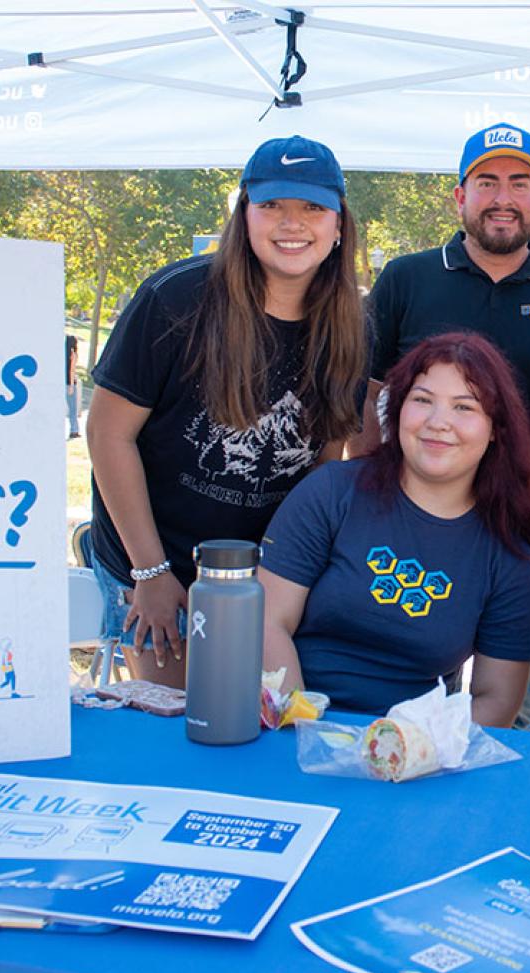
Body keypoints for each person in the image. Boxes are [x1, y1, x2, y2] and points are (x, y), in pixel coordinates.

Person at [352, 122, 530, 732]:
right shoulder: (406, 280)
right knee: (412, 713)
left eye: (520, 182)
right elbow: (366, 397)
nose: (503, 197)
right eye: (487, 181)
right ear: (459, 196)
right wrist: (362, 492)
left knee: (515, 720)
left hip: (528, 536)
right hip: (416, 534)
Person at [88, 135, 366, 689]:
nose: (292, 224)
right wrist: (151, 572)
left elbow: (326, 459)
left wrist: (282, 575)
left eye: (312, 207)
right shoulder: (176, 298)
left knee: (261, 722)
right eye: (272, 206)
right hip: (151, 558)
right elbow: (106, 435)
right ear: (244, 215)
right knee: (173, 728)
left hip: (259, 576)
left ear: (339, 224)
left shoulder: (353, 322)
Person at [260, 333, 530, 723]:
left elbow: (496, 699)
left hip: (415, 754)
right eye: (422, 400)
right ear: (396, 410)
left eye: (464, 407)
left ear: (496, 429)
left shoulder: (509, 554)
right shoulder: (331, 493)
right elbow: (267, 622)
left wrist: (407, 751)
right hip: (293, 729)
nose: (438, 422)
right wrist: (304, 729)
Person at [65, 334, 81, 439]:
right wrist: (71, 385)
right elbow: (72, 370)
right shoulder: (73, 354)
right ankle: (74, 430)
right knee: (72, 409)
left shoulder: (63, 354)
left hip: (62, 382)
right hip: (70, 384)